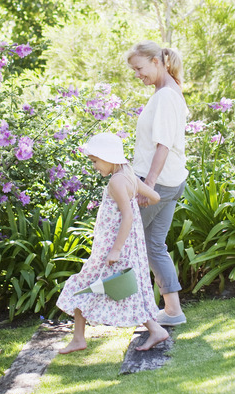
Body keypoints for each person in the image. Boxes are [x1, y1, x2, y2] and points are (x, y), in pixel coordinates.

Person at [56, 132, 170, 354]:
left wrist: (115, 250)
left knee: (83, 286)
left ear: (109, 157)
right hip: (126, 249)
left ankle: (79, 338)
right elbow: (155, 197)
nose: (95, 166)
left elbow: (127, 216)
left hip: (113, 249)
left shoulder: (117, 182)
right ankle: (154, 330)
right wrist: (138, 197)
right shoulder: (129, 176)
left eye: (96, 161)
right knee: (123, 289)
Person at [126, 40, 189, 326]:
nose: (138, 74)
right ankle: (173, 311)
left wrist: (147, 186)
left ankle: (130, 311)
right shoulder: (170, 91)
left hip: (157, 184)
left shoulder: (165, 96)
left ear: (156, 61)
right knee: (153, 245)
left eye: (139, 68)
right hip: (172, 182)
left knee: (123, 242)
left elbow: (162, 145)